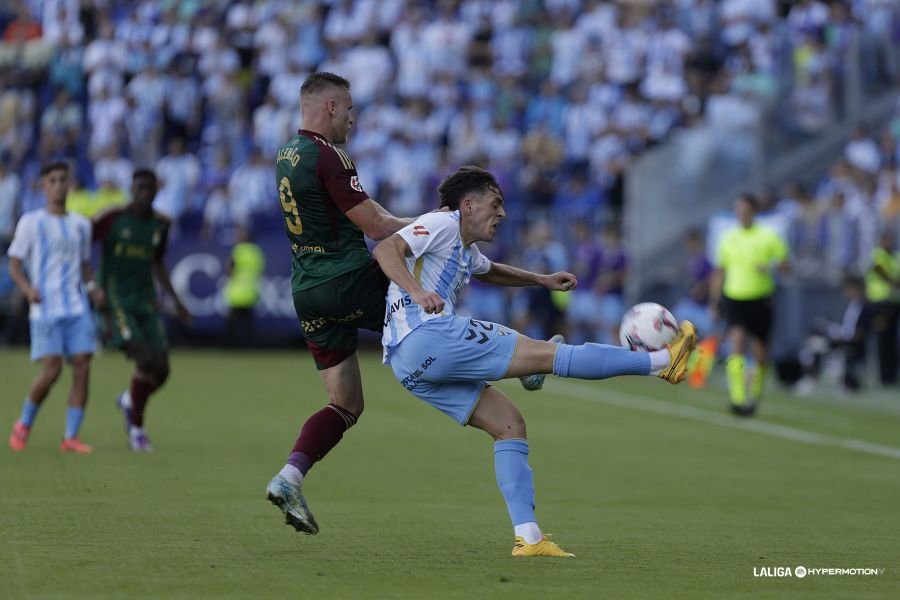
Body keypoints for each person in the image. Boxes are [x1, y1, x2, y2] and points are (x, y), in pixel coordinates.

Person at [372, 166, 697, 557]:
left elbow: (491, 271)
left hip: (409, 365)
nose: (503, 214)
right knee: (550, 354)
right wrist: (417, 291)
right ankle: (662, 361)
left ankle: (528, 538)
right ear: (468, 204)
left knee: (509, 425)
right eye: (496, 203)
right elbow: (386, 248)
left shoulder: (463, 248)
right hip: (430, 334)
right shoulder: (442, 223)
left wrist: (541, 280)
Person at [264, 72, 415, 535]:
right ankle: (516, 362)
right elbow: (377, 225)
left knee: (346, 403)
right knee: (431, 304)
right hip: (346, 277)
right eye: (349, 108)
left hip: (308, 292)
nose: (353, 118)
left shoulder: (286, 154)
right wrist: (439, 223)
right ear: (329, 107)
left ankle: (290, 476)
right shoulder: (329, 154)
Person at [7, 161, 105, 453]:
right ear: (43, 186)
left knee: (83, 368)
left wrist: (92, 289)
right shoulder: (31, 222)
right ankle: (23, 424)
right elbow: (14, 265)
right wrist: (27, 290)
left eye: (64, 180)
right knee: (52, 371)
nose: (59, 185)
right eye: (53, 180)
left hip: (76, 307)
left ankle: (70, 436)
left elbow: (85, 266)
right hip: (45, 308)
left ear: (69, 184)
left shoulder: (81, 225)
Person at [93, 168, 190, 452]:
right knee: (146, 360)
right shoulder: (112, 219)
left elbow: (158, 263)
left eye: (149, 189)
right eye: (139, 188)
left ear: (156, 192)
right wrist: (89, 284)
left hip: (145, 303)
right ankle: (136, 429)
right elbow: (81, 242)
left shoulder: (161, 225)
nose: (144, 194)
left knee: (162, 371)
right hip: (116, 301)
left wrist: (177, 301)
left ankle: (128, 401)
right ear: (132, 190)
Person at [709, 193, 789, 417]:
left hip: (761, 299)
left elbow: (785, 264)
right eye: (738, 210)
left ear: (754, 211)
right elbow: (720, 271)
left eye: (745, 209)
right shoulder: (728, 238)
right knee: (737, 345)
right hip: (735, 298)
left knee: (761, 353)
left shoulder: (768, 236)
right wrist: (714, 302)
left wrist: (771, 267)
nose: (741, 214)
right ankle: (737, 397)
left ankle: (754, 394)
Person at [794, 275, 871, 395]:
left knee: (816, 347)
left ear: (857, 289)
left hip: (851, 344)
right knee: (809, 347)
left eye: (849, 288)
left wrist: (837, 339)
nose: (846, 292)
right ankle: (810, 379)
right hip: (842, 339)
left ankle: (815, 379)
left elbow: (858, 333)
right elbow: (847, 328)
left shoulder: (865, 306)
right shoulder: (852, 305)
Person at [864, 230, 899, 386]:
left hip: (893, 301)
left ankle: (891, 375)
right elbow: (879, 269)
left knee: (892, 340)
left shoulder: (895, 256)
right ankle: (883, 376)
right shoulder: (877, 254)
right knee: (882, 339)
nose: (888, 244)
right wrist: (893, 282)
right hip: (879, 302)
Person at [223, 226, 265, 346]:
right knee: (248, 323)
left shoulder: (238, 250)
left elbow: (230, 268)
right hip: (251, 291)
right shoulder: (257, 252)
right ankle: (248, 346)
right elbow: (260, 270)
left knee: (232, 321)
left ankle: (230, 345)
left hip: (236, 291)